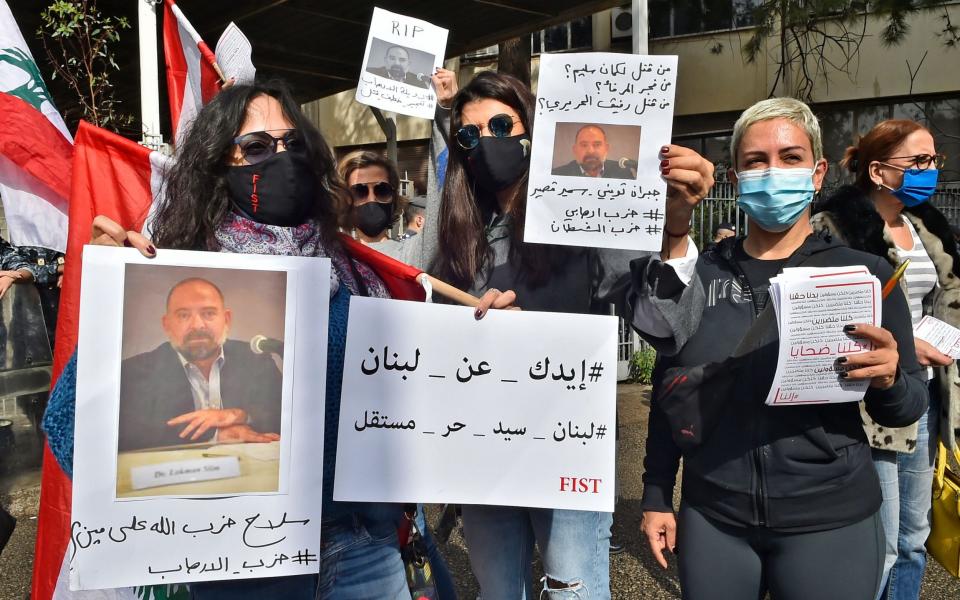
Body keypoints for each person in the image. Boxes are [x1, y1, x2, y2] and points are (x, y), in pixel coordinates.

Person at [83, 80, 509, 599]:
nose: (281, 158)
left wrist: (483, 336)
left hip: (361, 550)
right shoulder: (175, 267)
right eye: (258, 147)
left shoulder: (356, 275)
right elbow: (69, 432)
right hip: (240, 562)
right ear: (219, 164)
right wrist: (110, 298)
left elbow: (406, 394)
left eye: (294, 144)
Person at [433, 70, 714, 599]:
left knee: (575, 591)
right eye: (469, 136)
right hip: (482, 453)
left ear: (532, 130)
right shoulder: (455, 234)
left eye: (501, 125)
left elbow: (667, 325)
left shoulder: (585, 221)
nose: (486, 143)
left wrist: (675, 229)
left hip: (566, 450)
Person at [636, 98, 927, 600]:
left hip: (831, 520)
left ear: (817, 174)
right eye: (756, 161)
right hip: (715, 518)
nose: (773, 172)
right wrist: (657, 493)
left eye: (790, 158)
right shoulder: (696, 273)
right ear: (734, 177)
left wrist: (889, 377)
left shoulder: (866, 275)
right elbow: (671, 387)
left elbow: (907, 407)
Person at [811, 119, 959, 600]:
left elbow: (945, 299)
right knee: (881, 541)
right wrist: (900, 342)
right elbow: (821, 316)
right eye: (918, 161)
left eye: (933, 160)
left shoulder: (923, 226)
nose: (930, 170)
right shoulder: (832, 229)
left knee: (914, 538)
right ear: (877, 170)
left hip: (926, 396)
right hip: (871, 399)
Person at [117, 277, 282, 452]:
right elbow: (129, 435)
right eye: (183, 315)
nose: (197, 325)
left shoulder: (256, 359)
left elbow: (284, 414)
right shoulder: (133, 371)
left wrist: (239, 415)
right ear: (167, 325)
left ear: (226, 319)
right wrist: (216, 436)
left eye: (209, 313)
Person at [551, 124, 634, 179]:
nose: (590, 151)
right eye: (584, 145)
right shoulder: (558, 175)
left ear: (606, 148)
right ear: (575, 150)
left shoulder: (623, 173)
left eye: (597, 144)